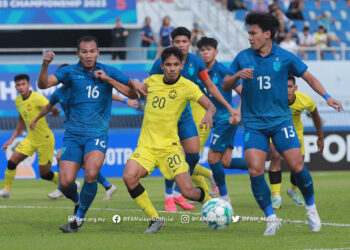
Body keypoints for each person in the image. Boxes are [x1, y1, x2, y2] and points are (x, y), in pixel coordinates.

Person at [223, 12, 343, 236]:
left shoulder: (285, 57)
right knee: (255, 170)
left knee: (297, 167)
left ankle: (311, 209)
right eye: (248, 33)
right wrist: (237, 74)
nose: (249, 37)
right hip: (254, 124)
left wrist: (327, 96)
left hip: (280, 121)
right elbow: (226, 84)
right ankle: (271, 218)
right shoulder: (242, 57)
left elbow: (309, 77)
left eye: (253, 33)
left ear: (267, 34)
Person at [37, 35, 146, 233]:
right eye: (84, 52)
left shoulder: (108, 70)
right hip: (72, 135)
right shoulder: (69, 72)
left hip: (97, 134)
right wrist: (45, 65)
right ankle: (79, 201)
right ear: (78, 53)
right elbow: (43, 85)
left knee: (91, 172)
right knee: (66, 182)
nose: (88, 55)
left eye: (92, 51)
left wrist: (109, 79)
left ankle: (78, 218)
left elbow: (132, 93)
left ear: (98, 52)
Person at [123, 46, 215, 233]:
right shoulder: (152, 81)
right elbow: (132, 93)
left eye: (176, 64)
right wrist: (115, 80)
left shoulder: (188, 86)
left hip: (170, 149)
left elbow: (210, 105)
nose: (172, 68)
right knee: (128, 176)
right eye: (168, 65)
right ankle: (155, 219)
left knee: (188, 192)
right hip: (147, 147)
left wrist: (209, 115)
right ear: (162, 66)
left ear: (181, 66)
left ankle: (212, 204)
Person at [150, 27, 238, 211]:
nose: (181, 45)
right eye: (177, 42)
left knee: (192, 155)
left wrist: (228, 108)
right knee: (174, 155)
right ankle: (169, 197)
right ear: (172, 43)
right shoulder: (161, 62)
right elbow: (149, 87)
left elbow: (210, 87)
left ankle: (178, 192)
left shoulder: (196, 62)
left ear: (190, 43)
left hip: (186, 114)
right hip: (166, 117)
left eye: (184, 41)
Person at [29, 74, 138, 200]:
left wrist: (126, 100)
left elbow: (106, 94)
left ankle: (64, 187)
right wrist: (36, 119)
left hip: (89, 132)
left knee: (68, 159)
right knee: (82, 164)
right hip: (73, 133)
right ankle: (107, 186)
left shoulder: (81, 88)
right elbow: (48, 107)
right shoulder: (58, 93)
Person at [197, 37, 247, 202]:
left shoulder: (223, 71)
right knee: (225, 161)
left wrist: (237, 113)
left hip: (226, 120)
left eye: (208, 49)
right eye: (202, 50)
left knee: (212, 159)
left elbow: (244, 93)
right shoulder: (199, 73)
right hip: (216, 121)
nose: (205, 53)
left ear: (216, 52)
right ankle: (261, 165)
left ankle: (224, 197)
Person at [266, 76, 324, 210]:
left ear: (295, 88)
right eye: (284, 87)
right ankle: (276, 196)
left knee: (298, 165)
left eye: (290, 86)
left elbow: (315, 114)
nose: (287, 90)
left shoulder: (304, 100)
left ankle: (292, 190)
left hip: (294, 132)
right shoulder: (272, 99)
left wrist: (320, 137)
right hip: (275, 129)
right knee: (275, 155)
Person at [0, 74, 60, 199]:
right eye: (18, 85)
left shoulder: (37, 98)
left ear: (29, 85)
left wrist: (55, 112)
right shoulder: (18, 101)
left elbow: (53, 108)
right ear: (15, 87)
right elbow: (21, 121)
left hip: (45, 139)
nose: (21, 87)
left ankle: (68, 183)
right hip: (30, 139)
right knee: (11, 162)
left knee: (45, 174)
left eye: (23, 84)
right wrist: (11, 140)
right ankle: (6, 190)